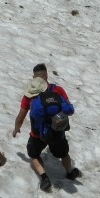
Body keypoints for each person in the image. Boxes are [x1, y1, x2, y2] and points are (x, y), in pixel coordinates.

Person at [12, 63, 81, 191]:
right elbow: (68, 109)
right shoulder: (57, 91)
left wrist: (16, 128)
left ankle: (44, 177)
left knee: (34, 155)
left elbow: (21, 116)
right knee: (64, 154)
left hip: (37, 134)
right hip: (57, 132)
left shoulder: (29, 94)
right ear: (46, 75)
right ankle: (69, 172)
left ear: (36, 76)